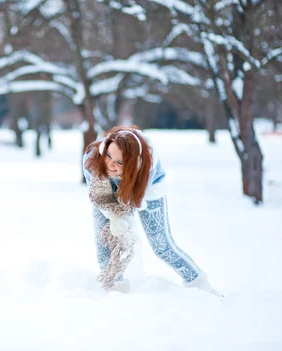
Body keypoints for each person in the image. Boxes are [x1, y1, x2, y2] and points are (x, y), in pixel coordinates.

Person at [82, 125, 221, 295]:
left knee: (162, 246)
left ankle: (200, 285)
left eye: (119, 162)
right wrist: (115, 220)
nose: (111, 165)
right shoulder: (92, 161)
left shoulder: (146, 170)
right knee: (105, 240)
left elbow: (133, 201)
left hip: (147, 190)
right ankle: (114, 290)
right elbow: (99, 199)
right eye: (108, 156)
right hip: (104, 193)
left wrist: (123, 221)